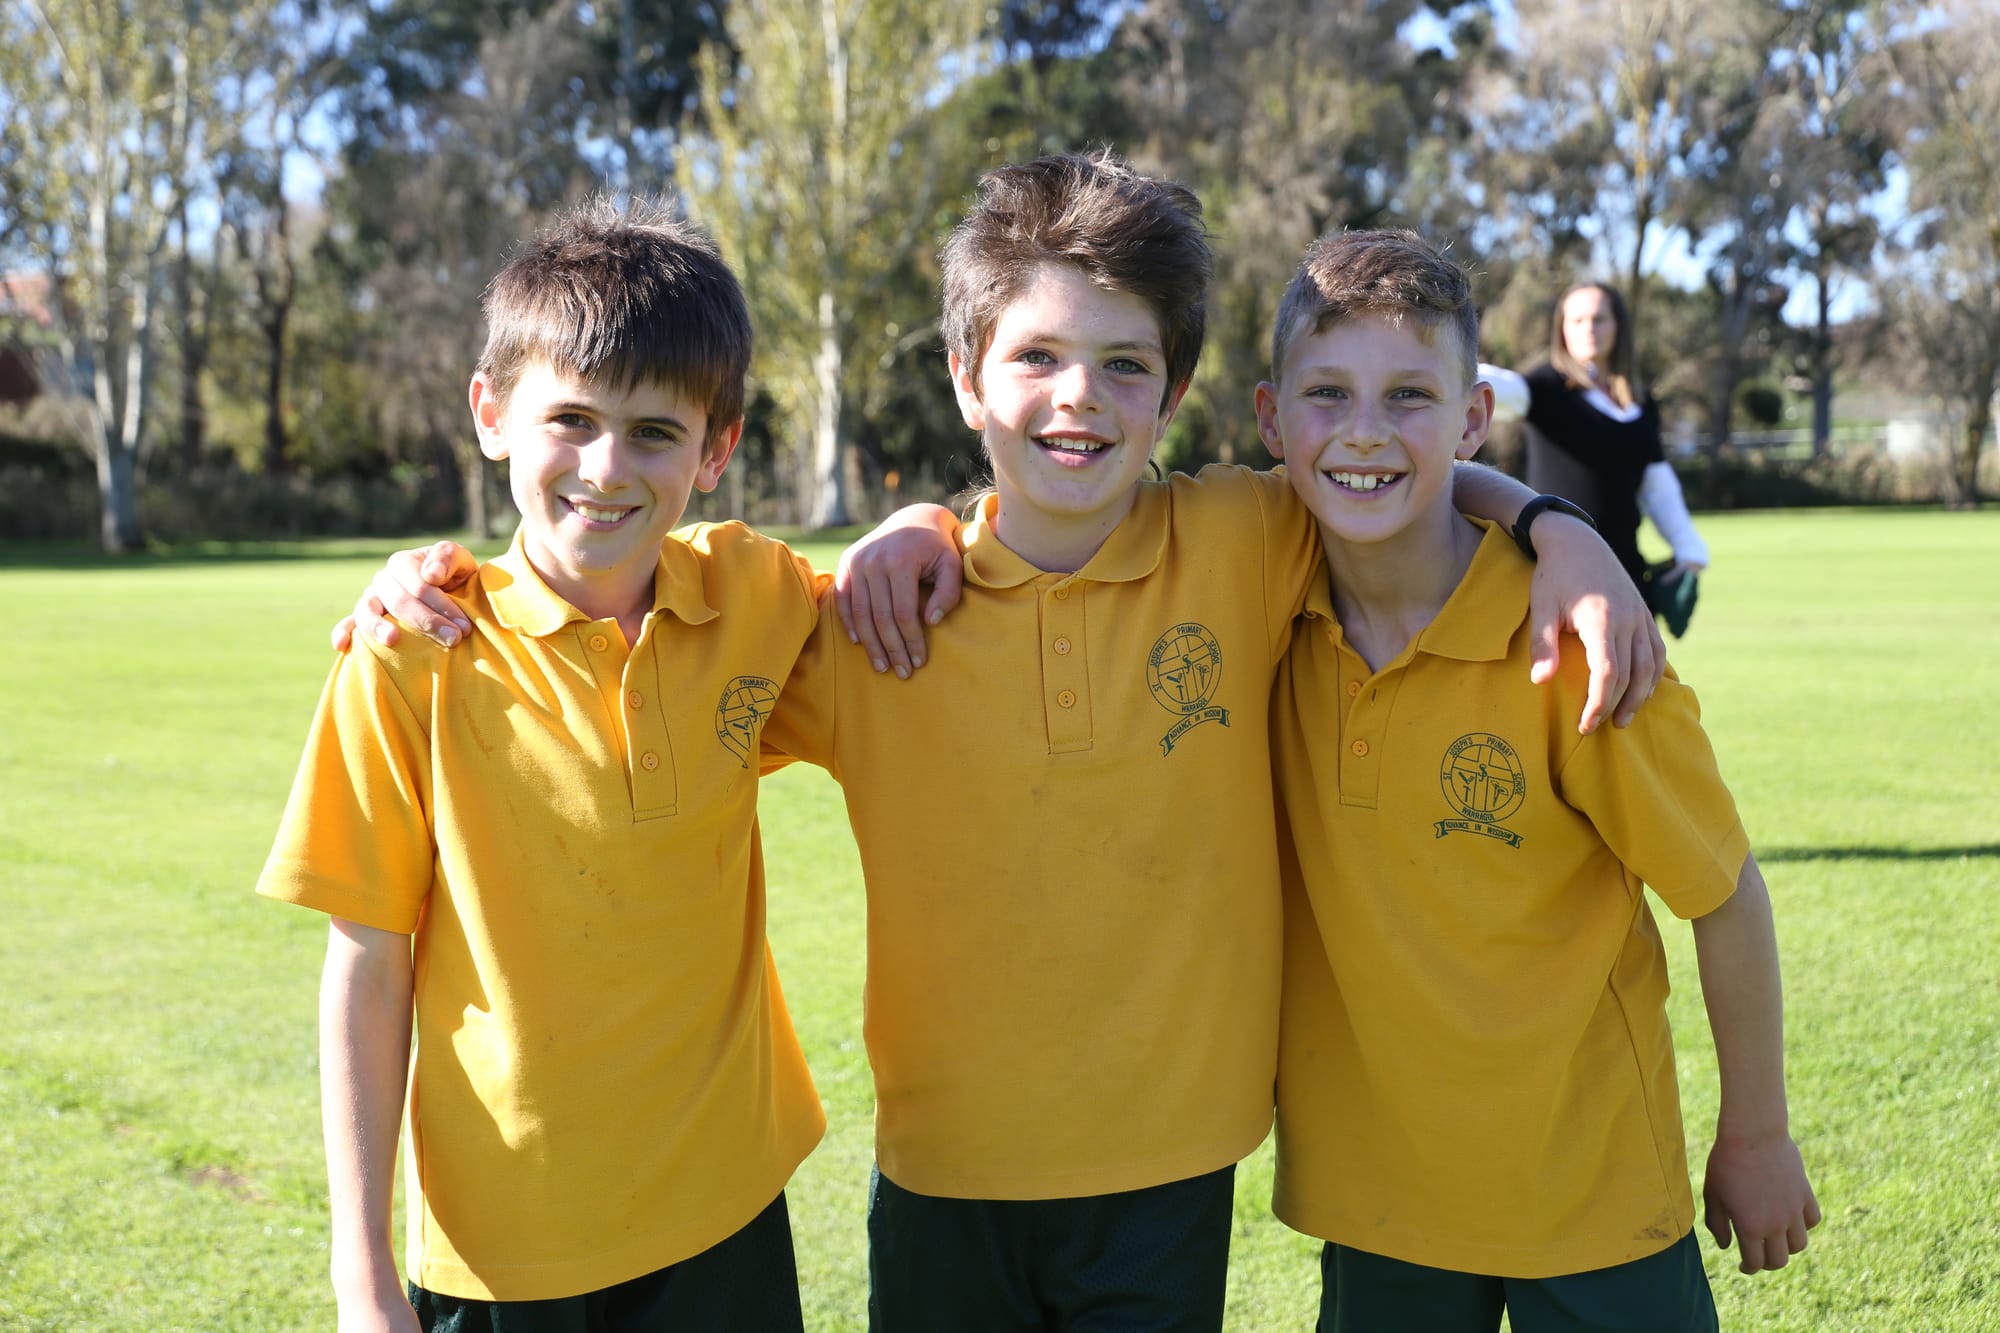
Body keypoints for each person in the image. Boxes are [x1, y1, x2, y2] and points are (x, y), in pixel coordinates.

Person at [338, 152, 1661, 1331]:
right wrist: (445, 582)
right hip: (944, 1174)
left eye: (1124, 364)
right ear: (967, 378)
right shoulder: (871, 614)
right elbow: (640, 604)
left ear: (1182, 390)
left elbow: (1394, 469)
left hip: (1170, 1168)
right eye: (1034, 357)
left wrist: (1562, 531)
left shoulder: (1251, 542)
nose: (1077, 399)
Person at [256, 199, 833, 1332]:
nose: (604, 468)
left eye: (655, 433)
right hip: (502, 1247)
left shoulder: (757, 598)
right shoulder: (409, 653)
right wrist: (359, 1278)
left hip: (725, 1213)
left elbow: (901, 598)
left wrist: (916, 521)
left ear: (716, 448)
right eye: (568, 417)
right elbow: (366, 972)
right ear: (491, 412)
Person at [1256, 228, 1819, 1332]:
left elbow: (1721, 892)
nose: (1364, 431)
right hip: (1380, 1205)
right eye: (1328, 393)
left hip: (1591, 1187)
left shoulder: (1583, 646)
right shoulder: (1254, 602)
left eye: (1409, 395)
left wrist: (1753, 1131)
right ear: (1271, 419)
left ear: (1473, 420)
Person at [1480, 283, 1707, 626]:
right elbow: (1498, 386)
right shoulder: (1545, 387)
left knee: (1639, 676)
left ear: (1618, 326)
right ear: (1562, 329)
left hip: (1625, 571)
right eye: (1577, 320)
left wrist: (1690, 553)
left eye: (1599, 319)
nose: (1588, 328)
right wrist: (1442, 368)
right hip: (1560, 573)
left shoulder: (1640, 403)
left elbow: (1657, 485)